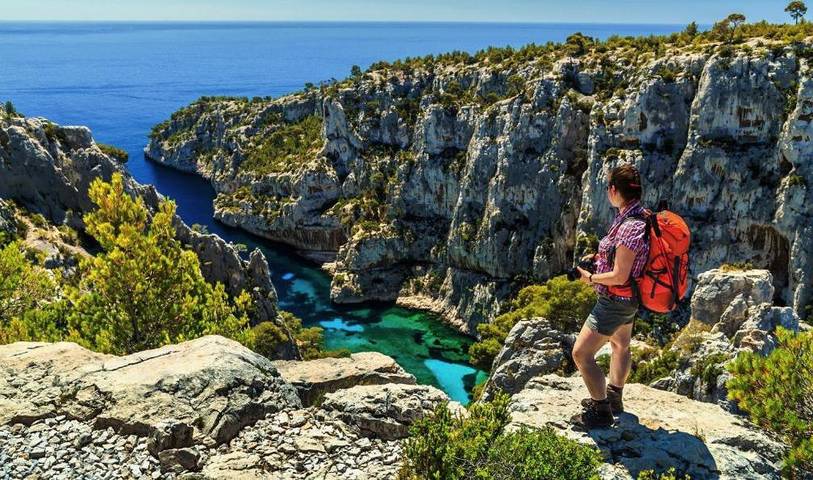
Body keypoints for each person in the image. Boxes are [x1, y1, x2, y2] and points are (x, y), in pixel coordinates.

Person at [571, 164, 650, 429]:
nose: (607, 192)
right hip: (628, 300)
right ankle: (614, 396)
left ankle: (601, 410)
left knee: (581, 354)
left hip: (615, 300)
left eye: (608, 187)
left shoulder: (630, 226)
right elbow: (623, 259)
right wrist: (598, 258)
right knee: (620, 344)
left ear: (614, 190)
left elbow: (619, 275)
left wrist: (590, 278)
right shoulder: (636, 215)